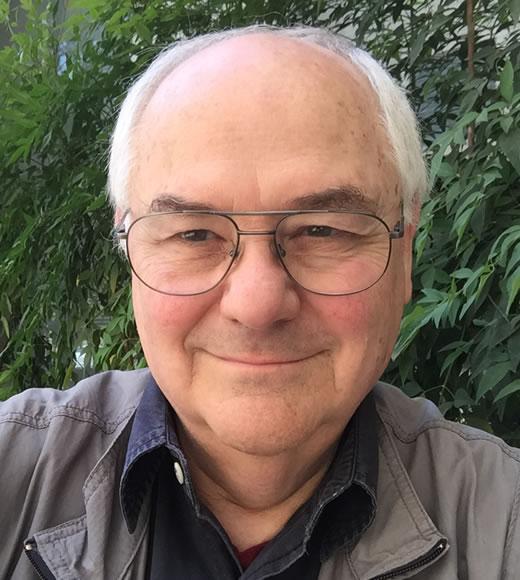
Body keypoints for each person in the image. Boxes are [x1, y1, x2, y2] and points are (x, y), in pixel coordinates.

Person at [1, 25, 518, 580]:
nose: (257, 304)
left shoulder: (502, 522)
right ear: (129, 249)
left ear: (405, 253)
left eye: (322, 230)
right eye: (194, 234)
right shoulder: (13, 473)